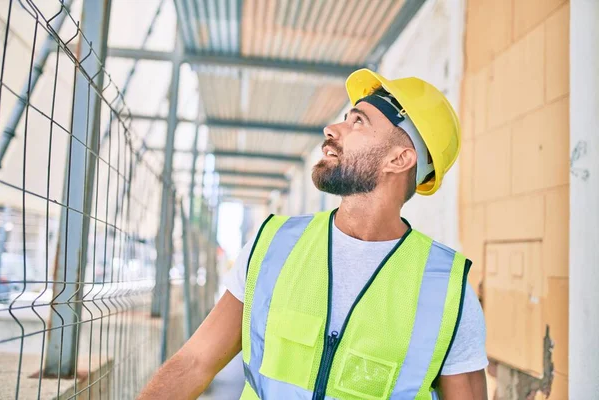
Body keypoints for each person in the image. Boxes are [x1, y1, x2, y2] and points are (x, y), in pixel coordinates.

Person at [138, 69, 488, 400]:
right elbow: (194, 363)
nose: (332, 129)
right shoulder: (272, 245)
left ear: (399, 159)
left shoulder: (448, 293)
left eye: (357, 122)